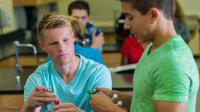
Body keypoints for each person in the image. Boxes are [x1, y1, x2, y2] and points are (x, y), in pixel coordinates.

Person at [90, 0, 199, 112]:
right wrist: (114, 96)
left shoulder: (172, 64)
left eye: (130, 17)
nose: (126, 26)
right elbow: (145, 101)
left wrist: (109, 109)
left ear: (153, 15)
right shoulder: (152, 47)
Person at [21, 13, 112, 112]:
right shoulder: (38, 79)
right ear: (42, 45)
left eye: (65, 40)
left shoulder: (98, 73)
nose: (61, 48)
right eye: (53, 43)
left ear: (73, 37)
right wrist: (28, 107)